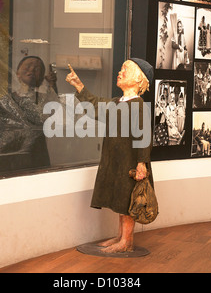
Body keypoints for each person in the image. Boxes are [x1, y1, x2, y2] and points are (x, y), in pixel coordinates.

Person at [65, 58, 154, 254]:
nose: (119, 72)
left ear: (139, 79)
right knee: (121, 199)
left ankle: (126, 241)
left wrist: (142, 163)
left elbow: (144, 136)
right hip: (117, 161)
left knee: (128, 200)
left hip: (130, 162)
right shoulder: (117, 102)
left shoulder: (138, 105)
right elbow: (95, 105)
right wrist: (79, 85)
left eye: (125, 69)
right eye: (120, 68)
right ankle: (121, 237)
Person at [0, 56, 58, 170]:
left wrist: (52, 85)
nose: (31, 70)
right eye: (27, 66)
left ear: (41, 78)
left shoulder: (43, 99)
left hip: (35, 155)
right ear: (18, 73)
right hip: (9, 153)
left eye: (37, 69)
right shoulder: (7, 100)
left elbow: (54, 110)